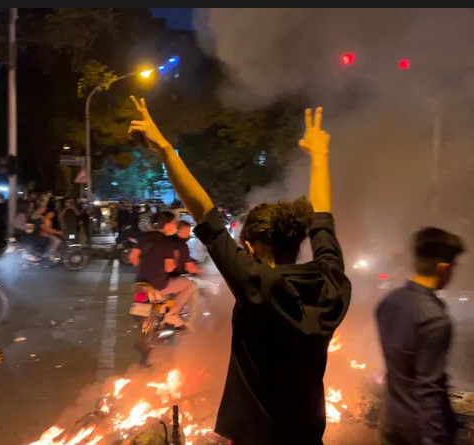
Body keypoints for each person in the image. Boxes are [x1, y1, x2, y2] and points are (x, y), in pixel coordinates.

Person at [128, 97, 351, 445]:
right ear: (298, 241)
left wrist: (166, 150)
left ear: (249, 249)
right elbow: (324, 221)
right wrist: (320, 156)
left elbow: (205, 215)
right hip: (308, 436)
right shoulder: (331, 284)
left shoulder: (257, 286)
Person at [376, 228, 465, 445]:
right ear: (443, 268)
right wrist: (436, 438)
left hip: (390, 423)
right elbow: (428, 390)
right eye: (453, 267)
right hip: (417, 433)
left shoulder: (388, 303)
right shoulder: (435, 319)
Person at [129, 211, 198, 328]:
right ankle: (173, 313)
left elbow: (132, 257)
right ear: (167, 226)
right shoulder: (166, 242)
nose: (176, 225)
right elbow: (169, 267)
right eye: (175, 223)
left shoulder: (145, 237)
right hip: (159, 283)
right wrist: (176, 263)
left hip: (141, 280)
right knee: (189, 285)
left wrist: (146, 267)